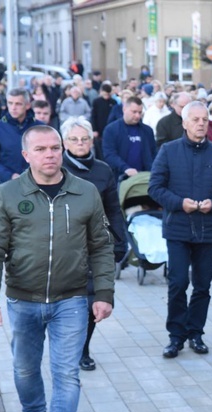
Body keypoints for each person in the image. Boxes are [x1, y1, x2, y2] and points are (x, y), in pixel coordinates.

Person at [0, 125, 115, 412]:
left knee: (67, 374)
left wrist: (103, 293)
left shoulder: (85, 192)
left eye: (55, 147)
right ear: (26, 155)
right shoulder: (8, 195)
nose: (50, 154)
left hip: (71, 300)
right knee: (25, 369)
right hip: (23, 300)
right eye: (41, 149)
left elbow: (101, 245)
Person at [148, 101, 212, 359]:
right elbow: (154, 188)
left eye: (204, 119)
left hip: (208, 229)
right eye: (195, 119)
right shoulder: (168, 150)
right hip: (178, 228)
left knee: (202, 285)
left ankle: (196, 333)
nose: (200, 123)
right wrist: (180, 204)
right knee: (178, 283)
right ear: (185, 123)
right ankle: (175, 336)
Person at [60, 116, 128, 371]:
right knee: (68, 302)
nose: (80, 143)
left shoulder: (102, 169)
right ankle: (67, 346)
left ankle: (83, 348)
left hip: (94, 248)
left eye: (84, 139)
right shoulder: (56, 168)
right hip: (63, 250)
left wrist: (120, 243)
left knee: (92, 302)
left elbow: (113, 210)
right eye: (74, 139)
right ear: (65, 142)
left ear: (92, 140)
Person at [0, 88, 43, 183]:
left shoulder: (41, 127)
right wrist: (9, 175)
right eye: (10, 103)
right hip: (8, 185)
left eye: (18, 104)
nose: (13, 107)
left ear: (27, 105)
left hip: (38, 183)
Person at [102, 96, 157, 182]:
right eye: (134, 112)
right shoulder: (111, 129)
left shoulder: (147, 130)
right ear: (124, 109)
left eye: (140, 112)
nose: (137, 116)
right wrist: (125, 168)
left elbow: (154, 152)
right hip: (120, 178)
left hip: (145, 178)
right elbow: (109, 154)